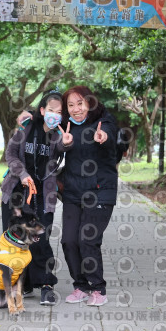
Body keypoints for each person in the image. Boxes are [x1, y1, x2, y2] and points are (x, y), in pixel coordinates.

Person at [0, 90, 73, 305]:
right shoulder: (26, 127)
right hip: (17, 191)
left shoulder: (59, 133)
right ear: (42, 110)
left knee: (40, 238)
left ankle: (46, 285)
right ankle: (22, 282)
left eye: (59, 112)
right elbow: (11, 154)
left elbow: (61, 147)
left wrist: (66, 143)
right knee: (14, 238)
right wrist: (22, 174)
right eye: (51, 110)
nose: (55, 115)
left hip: (44, 194)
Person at [59, 86, 119, 306]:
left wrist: (103, 136)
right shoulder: (65, 127)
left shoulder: (104, 121)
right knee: (69, 240)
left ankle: (98, 289)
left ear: (90, 102)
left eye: (80, 103)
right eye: (71, 105)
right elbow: (51, 139)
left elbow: (110, 134)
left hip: (100, 191)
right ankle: (81, 286)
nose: (76, 109)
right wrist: (63, 144)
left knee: (88, 239)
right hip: (73, 191)